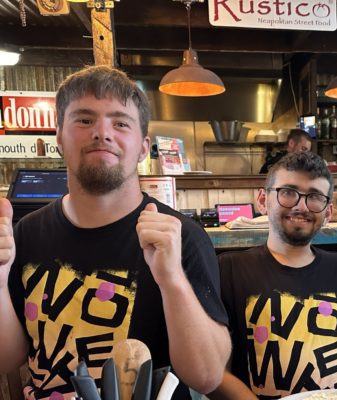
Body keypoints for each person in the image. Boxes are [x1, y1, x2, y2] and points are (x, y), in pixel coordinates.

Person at [0, 65, 231, 399]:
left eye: (120, 123)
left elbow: (207, 377)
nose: (102, 133)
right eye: (84, 119)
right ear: (59, 139)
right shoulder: (28, 233)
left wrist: (173, 281)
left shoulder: (182, 237)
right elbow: (9, 358)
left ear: (142, 146)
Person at [211, 152, 337, 399]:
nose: (301, 206)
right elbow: (216, 373)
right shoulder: (229, 269)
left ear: (328, 212)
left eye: (314, 197)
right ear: (263, 200)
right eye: (288, 192)